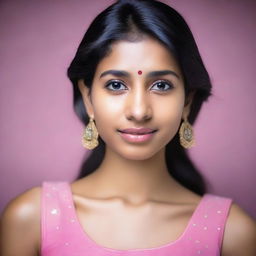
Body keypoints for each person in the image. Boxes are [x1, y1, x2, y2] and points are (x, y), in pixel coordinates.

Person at [0, 0, 255, 255]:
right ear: (88, 97)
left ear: (186, 101)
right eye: (116, 85)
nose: (139, 111)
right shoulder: (31, 219)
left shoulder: (233, 232)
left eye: (162, 85)